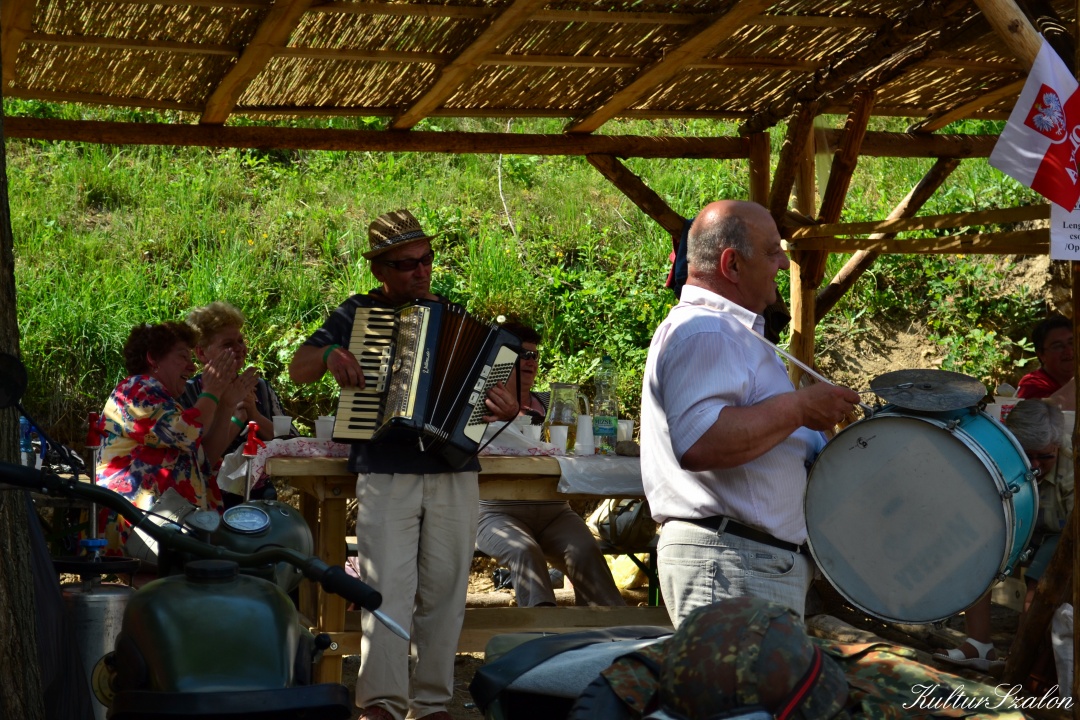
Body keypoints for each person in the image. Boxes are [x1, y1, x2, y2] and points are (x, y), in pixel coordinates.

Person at [288, 209, 519, 720]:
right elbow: (298, 367)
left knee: (446, 592)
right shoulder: (357, 313)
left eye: (426, 259)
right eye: (407, 263)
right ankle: (382, 703)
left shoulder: (454, 315)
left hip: (453, 470)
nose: (421, 270)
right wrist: (329, 357)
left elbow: (495, 394)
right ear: (379, 270)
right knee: (385, 592)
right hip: (385, 470)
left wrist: (504, 403)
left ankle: (432, 702)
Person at [640, 200, 860, 626]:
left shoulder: (728, 332)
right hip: (731, 561)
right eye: (773, 251)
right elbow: (701, 440)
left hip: (741, 561)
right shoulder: (705, 329)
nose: (783, 263)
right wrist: (800, 408)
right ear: (733, 264)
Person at [476, 321, 626, 608]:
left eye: (535, 356)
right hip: (496, 513)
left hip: (554, 511)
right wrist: (510, 417)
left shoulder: (552, 403)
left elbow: (578, 448)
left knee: (585, 550)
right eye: (523, 355)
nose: (531, 362)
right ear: (501, 357)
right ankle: (542, 629)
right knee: (525, 551)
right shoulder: (479, 405)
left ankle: (610, 630)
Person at [96, 321, 258, 550]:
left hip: (163, 527)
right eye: (183, 357)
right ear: (153, 359)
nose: (192, 367)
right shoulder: (137, 390)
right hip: (134, 528)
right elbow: (185, 433)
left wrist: (227, 405)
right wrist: (212, 391)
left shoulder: (164, 401)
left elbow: (205, 457)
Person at [934, 398, 1066, 671]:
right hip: (1017, 526)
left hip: (1059, 535)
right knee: (979, 554)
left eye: (1045, 457)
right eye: (1027, 454)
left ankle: (1021, 658)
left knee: (1039, 585)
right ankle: (979, 644)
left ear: (1057, 447)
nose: (1035, 464)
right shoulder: (999, 458)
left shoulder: (1071, 470)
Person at [181, 300, 294, 506]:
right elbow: (198, 458)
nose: (239, 348)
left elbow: (292, 443)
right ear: (201, 353)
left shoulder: (260, 387)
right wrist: (235, 417)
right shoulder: (187, 393)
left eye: (240, 341)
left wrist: (254, 414)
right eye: (228, 344)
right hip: (206, 495)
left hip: (259, 494)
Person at [1017, 315, 1075, 410]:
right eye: (1058, 346)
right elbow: (1049, 412)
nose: (1069, 351)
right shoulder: (1032, 384)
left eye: (1072, 343)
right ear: (1041, 355)